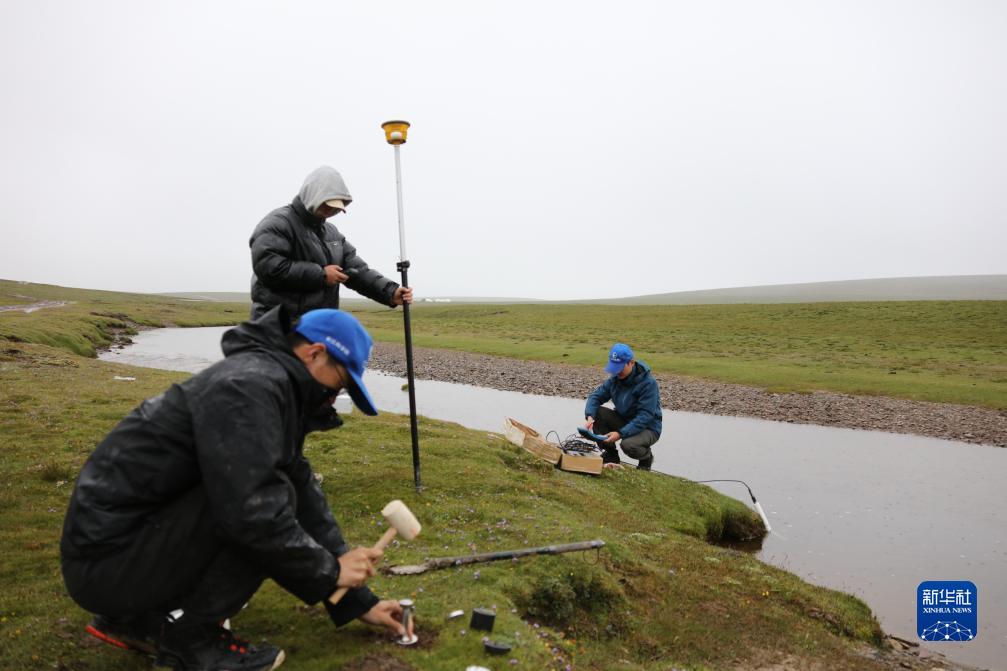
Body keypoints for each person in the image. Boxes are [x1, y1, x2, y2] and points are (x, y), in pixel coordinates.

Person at [60, 307, 412, 671]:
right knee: (261, 505)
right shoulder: (249, 387)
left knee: (277, 491)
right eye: (340, 383)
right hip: (107, 565)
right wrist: (329, 571)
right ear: (315, 353)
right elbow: (254, 511)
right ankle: (193, 640)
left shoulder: (266, 382)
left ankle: (135, 621)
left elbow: (303, 490)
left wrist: (357, 600)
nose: (334, 397)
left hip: (114, 556)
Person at [249, 165, 413, 320]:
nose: (331, 211)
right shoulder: (278, 224)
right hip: (276, 326)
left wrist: (390, 292)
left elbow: (358, 271)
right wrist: (321, 275)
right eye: (327, 205)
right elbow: (268, 267)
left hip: (317, 326)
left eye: (336, 208)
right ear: (313, 196)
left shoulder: (332, 233)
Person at [584, 343, 662, 471]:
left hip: (648, 427)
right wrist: (590, 417)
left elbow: (645, 416)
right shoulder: (615, 379)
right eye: (614, 367)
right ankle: (611, 455)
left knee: (628, 445)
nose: (617, 371)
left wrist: (620, 434)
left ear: (631, 363)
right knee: (596, 412)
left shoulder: (648, 384)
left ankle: (646, 458)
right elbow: (595, 397)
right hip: (624, 420)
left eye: (620, 367)